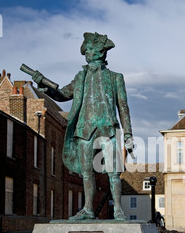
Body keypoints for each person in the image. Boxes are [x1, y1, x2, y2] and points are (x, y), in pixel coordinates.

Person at [32, 32, 134, 220]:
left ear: (100, 52)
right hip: (84, 130)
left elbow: (123, 107)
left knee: (114, 172)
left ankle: (118, 209)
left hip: (108, 129)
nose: (86, 54)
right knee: (86, 173)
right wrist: (43, 83)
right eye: (85, 51)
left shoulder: (115, 78)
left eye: (89, 50)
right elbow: (62, 94)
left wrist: (128, 134)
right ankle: (88, 209)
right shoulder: (80, 77)